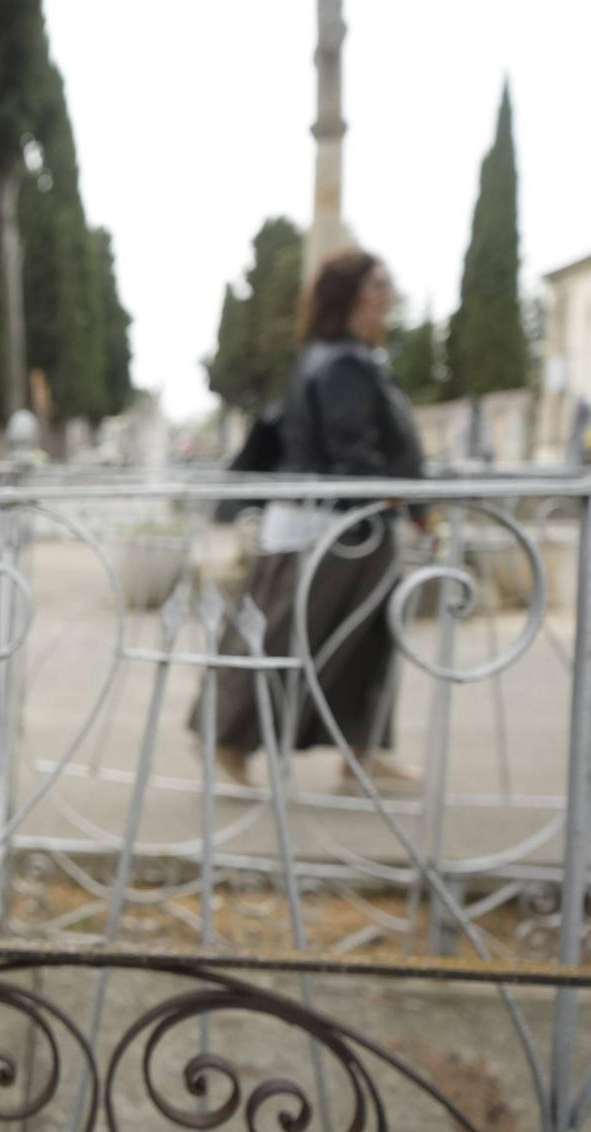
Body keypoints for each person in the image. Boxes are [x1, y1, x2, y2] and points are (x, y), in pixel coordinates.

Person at [198, 249, 425, 790]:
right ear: (351, 295)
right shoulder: (341, 363)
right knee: (280, 640)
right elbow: (353, 451)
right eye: (378, 285)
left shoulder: (337, 357)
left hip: (346, 528)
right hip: (333, 530)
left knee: (370, 639)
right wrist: (402, 502)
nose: (387, 296)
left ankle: (362, 752)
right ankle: (228, 737)